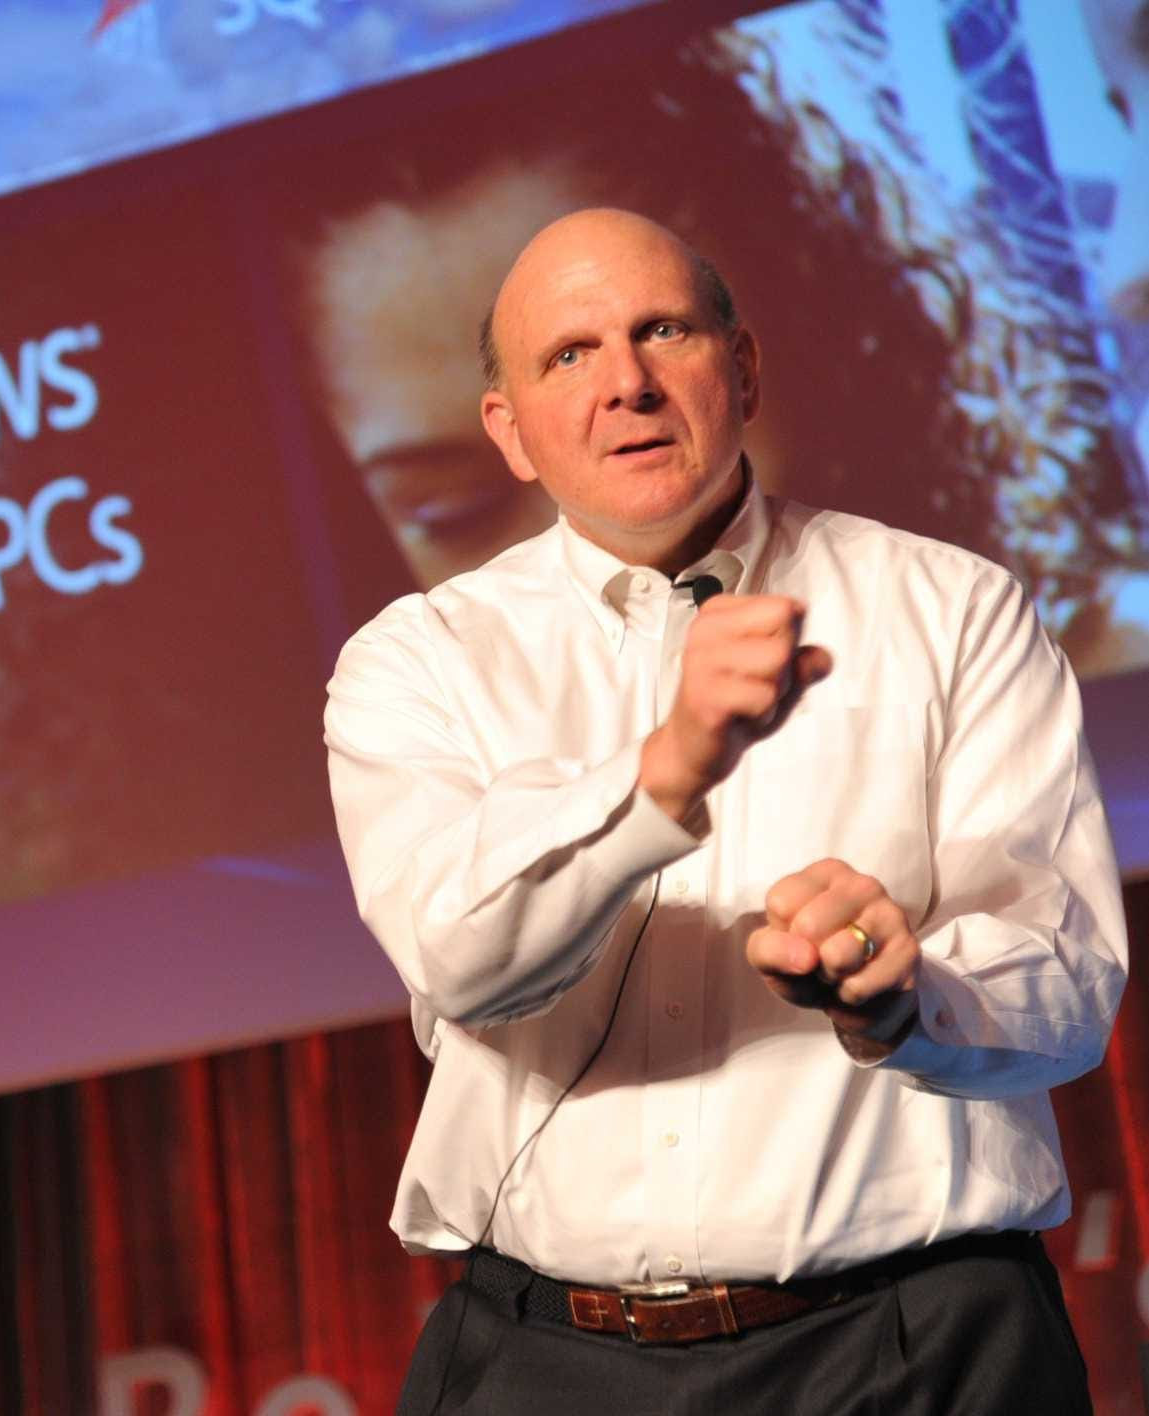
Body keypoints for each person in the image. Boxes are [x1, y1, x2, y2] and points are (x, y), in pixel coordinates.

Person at [324, 209, 1127, 1412]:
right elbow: (458, 958)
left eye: (661, 331)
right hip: (546, 1360)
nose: (625, 383)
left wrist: (906, 998)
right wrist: (665, 772)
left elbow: (1067, 988)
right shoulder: (416, 662)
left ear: (740, 368)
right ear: (510, 434)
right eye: (568, 355)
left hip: (919, 1346)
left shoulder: (952, 610)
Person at [285, 20, 1149, 675]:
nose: (591, 547)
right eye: (453, 510)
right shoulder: (429, 775)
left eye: (648, 413)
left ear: (797, 358)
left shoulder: (1051, 675)